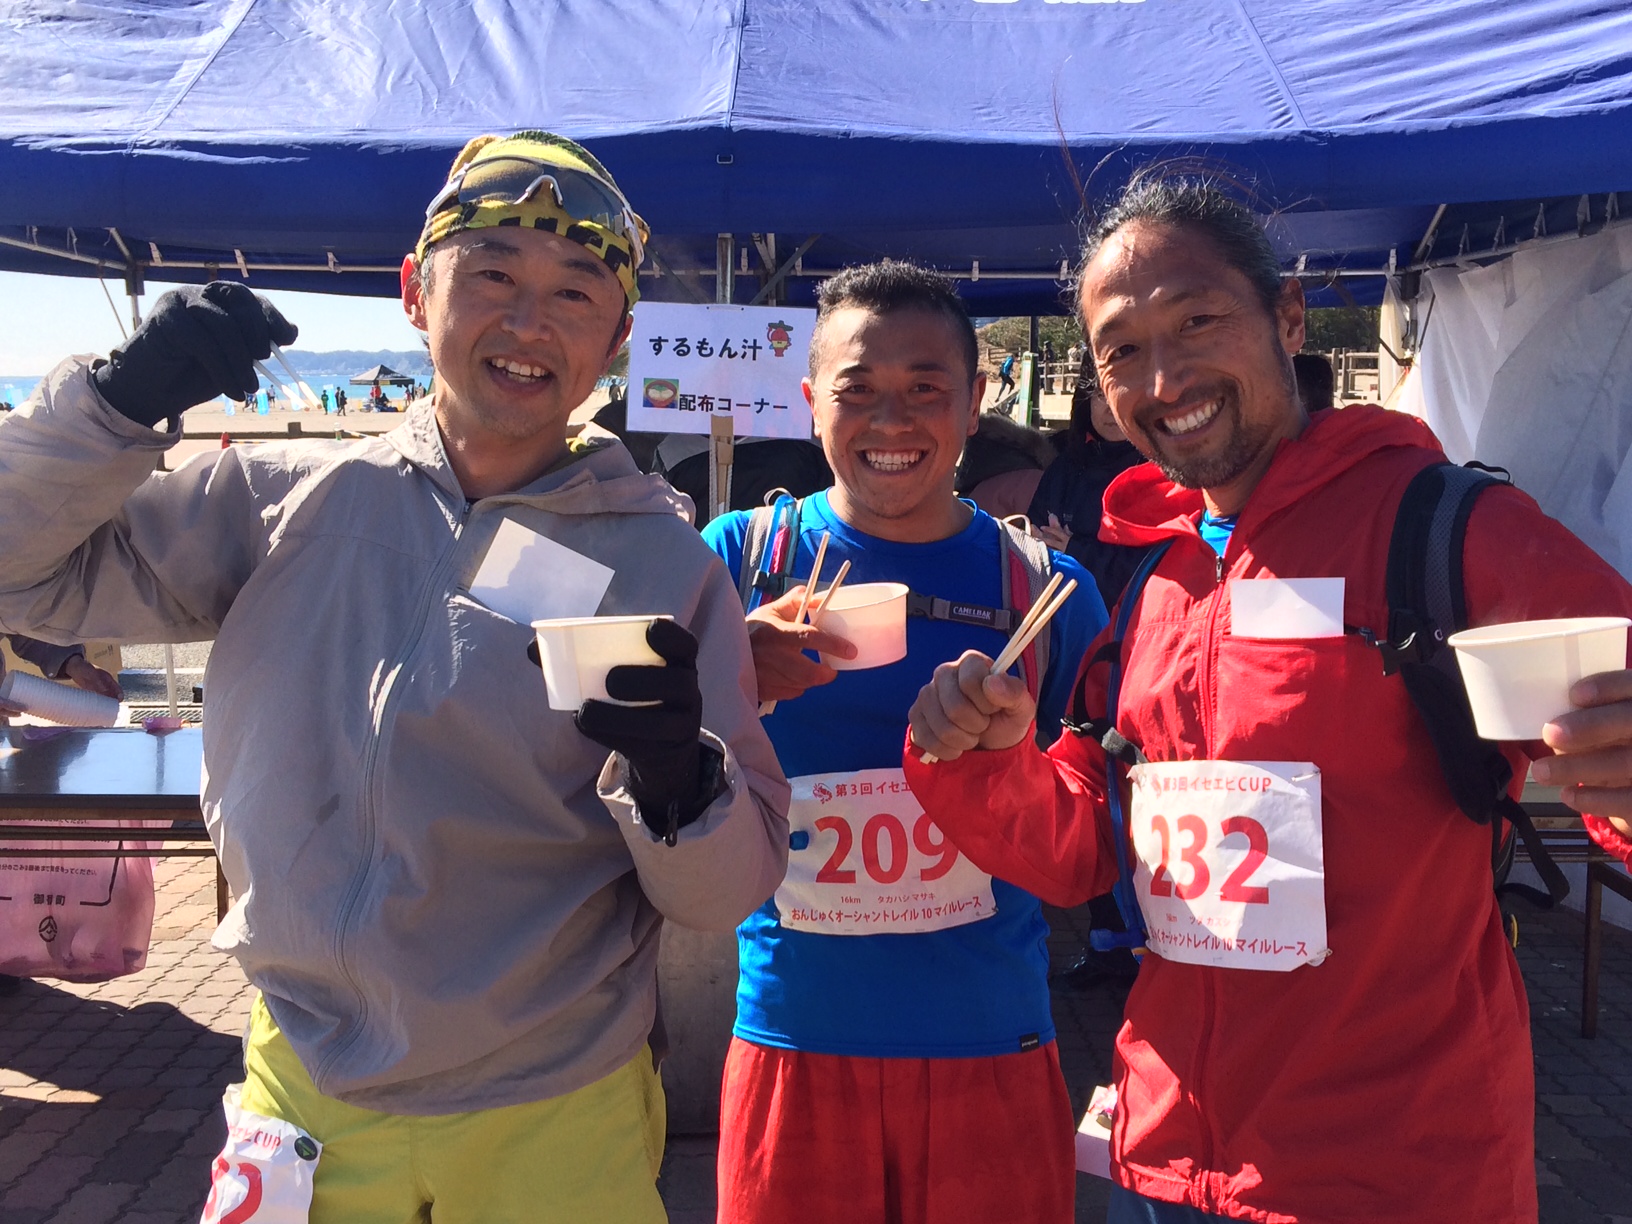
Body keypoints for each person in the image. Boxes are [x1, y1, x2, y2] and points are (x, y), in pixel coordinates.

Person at [0, 129, 789, 1222]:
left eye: (575, 292)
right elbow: (22, 575)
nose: (529, 322)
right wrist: (109, 410)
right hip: (302, 1081)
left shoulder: (666, 568)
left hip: (556, 1106)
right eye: (494, 274)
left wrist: (682, 786)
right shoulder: (277, 501)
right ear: (416, 292)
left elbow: (727, 891)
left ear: (616, 340)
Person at [905, 175, 1632, 1224]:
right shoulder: (1155, 576)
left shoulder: (1443, 526)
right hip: (1164, 1163)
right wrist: (983, 761)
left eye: (1198, 320)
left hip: (1395, 1177)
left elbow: (1610, 708)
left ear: (1288, 317)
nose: (1165, 378)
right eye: (1121, 350)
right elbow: (1092, 846)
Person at [702, 261, 1108, 1224]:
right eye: (858, 391)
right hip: (792, 1037)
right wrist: (724, 682)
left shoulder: (1045, 589)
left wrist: (1007, 763)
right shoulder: (736, 562)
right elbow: (638, 767)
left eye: (926, 390)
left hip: (991, 1045)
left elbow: (1094, 844)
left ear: (975, 402)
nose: (891, 422)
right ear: (811, 403)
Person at [1028, 371, 1149, 606]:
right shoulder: (1065, 466)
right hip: (1055, 612)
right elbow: (1034, 532)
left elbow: (1157, 568)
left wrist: (1076, 552)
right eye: (1100, 394)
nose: (1110, 407)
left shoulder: (1163, 471)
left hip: (1127, 618)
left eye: (1120, 391)